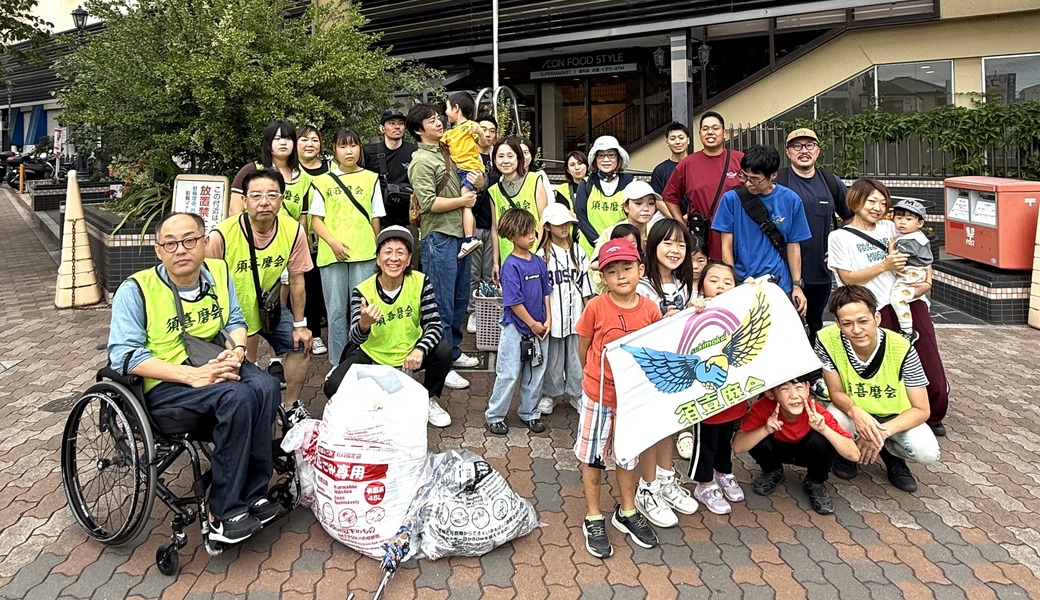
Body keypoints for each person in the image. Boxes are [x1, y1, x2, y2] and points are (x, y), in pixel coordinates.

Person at [108, 212, 281, 544]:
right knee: (238, 396)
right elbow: (125, 356)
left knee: (266, 385)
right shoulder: (136, 290)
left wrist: (238, 351)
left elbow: (233, 319)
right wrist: (191, 375)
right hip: (164, 384)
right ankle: (223, 509)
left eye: (189, 240)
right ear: (158, 251)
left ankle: (255, 491)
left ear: (204, 243)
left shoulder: (218, 271)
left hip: (212, 362)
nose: (180, 250)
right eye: (170, 244)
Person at [827, 178, 949, 436]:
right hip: (872, 310)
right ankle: (890, 418)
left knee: (928, 361)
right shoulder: (839, 237)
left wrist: (927, 280)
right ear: (856, 200)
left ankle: (933, 415)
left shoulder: (891, 227)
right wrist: (885, 265)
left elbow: (921, 250)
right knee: (887, 367)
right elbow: (847, 277)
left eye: (883, 203)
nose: (878, 207)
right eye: (872, 201)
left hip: (909, 301)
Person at [574, 238, 662, 559]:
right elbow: (584, 346)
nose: (621, 276)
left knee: (627, 456)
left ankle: (626, 511)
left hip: (632, 399)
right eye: (612, 271)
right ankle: (593, 516)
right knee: (592, 455)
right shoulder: (596, 306)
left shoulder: (651, 309)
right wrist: (592, 377)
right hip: (598, 396)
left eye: (627, 268)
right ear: (603, 277)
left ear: (640, 269)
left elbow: (660, 346)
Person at [207, 169, 313, 423]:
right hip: (231, 314)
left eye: (271, 195)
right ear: (244, 201)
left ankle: (290, 406)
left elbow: (297, 279)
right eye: (256, 195)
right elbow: (206, 283)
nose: (264, 202)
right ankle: (238, 413)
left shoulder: (293, 231)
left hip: (269, 307)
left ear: (282, 199)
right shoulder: (222, 235)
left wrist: (300, 325)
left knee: (301, 345)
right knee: (239, 365)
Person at [322, 226, 455, 427]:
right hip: (373, 353)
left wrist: (420, 349)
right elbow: (355, 339)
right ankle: (369, 402)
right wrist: (364, 324)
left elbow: (434, 325)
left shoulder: (420, 282)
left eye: (400, 252)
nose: (394, 258)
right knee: (332, 386)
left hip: (409, 350)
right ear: (378, 259)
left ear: (409, 259)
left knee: (444, 350)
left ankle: (428, 398)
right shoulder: (363, 290)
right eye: (388, 252)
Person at [815, 285, 941, 492]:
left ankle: (891, 455)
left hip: (894, 416)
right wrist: (856, 412)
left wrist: (879, 434)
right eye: (847, 323)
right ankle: (848, 452)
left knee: (926, 452)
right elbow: (835, 392)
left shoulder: (902, 347)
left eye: (863, 321)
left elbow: (922, 409)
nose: (856, 330)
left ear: (877, 318)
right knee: (831, 422)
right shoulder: (825, 340)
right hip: (854, 411)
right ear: (837, 323)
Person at [406, 103, 485, 390]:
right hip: (438, 236)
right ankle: (442, 361)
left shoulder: (451, 148)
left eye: (438, 118)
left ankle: (453, 349)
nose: (438, 123)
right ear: (418, 130)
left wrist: (478, 180)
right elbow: (428, 204)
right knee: (440, 302)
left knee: (460, 299)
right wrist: (463, 202)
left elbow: (477, 180)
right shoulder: (421, 162)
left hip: (460, 236)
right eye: (430, 121)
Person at [633, 219, 700, 528]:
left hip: (678, 368)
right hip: (650, 370)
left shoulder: (685, 284)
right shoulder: (642, 284)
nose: (675, 251)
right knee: (649, 428)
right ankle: (646, 488)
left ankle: (664, 480)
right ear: (653, 246)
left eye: (681, 245)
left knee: (669, 425)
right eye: (668, 244)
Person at [777, 127, 852, 398]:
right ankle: (783, 378)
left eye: (810, 145)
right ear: (788, 153)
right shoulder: (780, 180)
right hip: (784, 271)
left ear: (818, 150)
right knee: (785, 325)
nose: (804, 150)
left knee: (815, 323)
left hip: (819, 272)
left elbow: (849, 217)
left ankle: (810, 376)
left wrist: (839, 248)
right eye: (797, 146)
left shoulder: (830, 182)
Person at [310, 128, 385, 366]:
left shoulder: (371, 178)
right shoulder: (322, 181)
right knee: (335, 312)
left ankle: (363, 360)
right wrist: (332, 243)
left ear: (360, 148)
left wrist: (378, 251)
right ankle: (338, 364)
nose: (349, 151)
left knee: (363, 312)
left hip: (364, 254)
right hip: (332, 255)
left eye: (353, 145)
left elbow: (376, 218)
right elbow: (315, 220)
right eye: (343, 146)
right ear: (335, 150)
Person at [733, 376, 860, 515]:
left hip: (807, 454)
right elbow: (737, 446)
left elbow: (854, 455)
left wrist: (825, 429)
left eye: (799, 387)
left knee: (823, 439)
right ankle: (773, 470)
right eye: (784, 389)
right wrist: (765, 429)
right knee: (756, 435)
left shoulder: (815, 411)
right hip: (777, 449)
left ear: (807, 388)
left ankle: (815, 482)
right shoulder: (762, 407)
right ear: (770, 393)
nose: (794, 395)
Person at [711, 145, 811, 314]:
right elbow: (726, 246)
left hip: (779, 283)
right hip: (743, 282)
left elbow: (793, 246)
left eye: (755, 179)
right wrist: (732, 282)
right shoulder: (731, 200)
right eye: (745, 176)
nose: (749, 183)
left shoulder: (791, 200)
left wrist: (797, 285)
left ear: (773, 175)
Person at [685, 261, 750, 515]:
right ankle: (704, 483)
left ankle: (724, 472)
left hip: (732, 394)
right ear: (701, 285)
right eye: (714, 280)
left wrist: (752, 291)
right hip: (707, 397)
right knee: (707, 441)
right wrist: (693, 307)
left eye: (728, 282)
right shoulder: (697, 310)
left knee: (725, 438)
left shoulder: (740, 309)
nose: (721, 286)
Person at [484, 208, 553, 436]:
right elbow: (513, 302)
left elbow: (546, 292)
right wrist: (532, 323)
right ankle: (495, 415)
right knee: (508, 372)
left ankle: (530, 412)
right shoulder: (510, 265)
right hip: (516, 327)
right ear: (512, 236)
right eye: (525, 234)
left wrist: (547, 320)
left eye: (532, 232)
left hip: (540, 327)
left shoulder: (538, 262)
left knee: (535, 372)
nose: (531, 237)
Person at [662, 112, 744, 259]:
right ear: (699, 134)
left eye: (715, 128)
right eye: (705, 129)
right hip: (703, 238)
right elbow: (669, 196)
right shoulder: (687, 164)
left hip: (738, 235)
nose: (710, 132)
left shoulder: (740, 160)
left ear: (724, 133)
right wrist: (682, 226)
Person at [537, 203, 592, 415]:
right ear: (548, 226)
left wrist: (589, 311)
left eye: (567, 224)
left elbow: (586, 285)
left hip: (576, 314)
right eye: (559, 224)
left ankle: (577, 394)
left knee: (577, 357)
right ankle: (549, 394)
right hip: (554, 317)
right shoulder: (542, 255)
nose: (564, 228)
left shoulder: (578, 251)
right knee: (553, 358)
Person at [230, 121, 310, 228]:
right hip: (254, 238)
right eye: (277, 139)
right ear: (268, 143)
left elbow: (302, 219)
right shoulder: (251, 170)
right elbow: (234, 211)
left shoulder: (302, 178)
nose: (283, 143)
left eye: (288, 139)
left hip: (287, 240)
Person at [488, 138, 549, 279]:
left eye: (510, 156)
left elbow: (544, 220)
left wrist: (542, 251)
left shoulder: (534, 180)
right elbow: (495, 228)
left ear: (518, 158)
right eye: (500, 156)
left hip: (534, 255)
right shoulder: (494, 191)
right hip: (508, 259)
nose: (505, 161)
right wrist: (496, 262)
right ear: (495, 160)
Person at [443, 92, 490, 258]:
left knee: (466, 204)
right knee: (466, 204)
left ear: (456, 108)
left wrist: (481, 132)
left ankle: (469, 239)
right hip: (461, 170)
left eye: (447, 108)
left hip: (471, 169)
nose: (446, 112)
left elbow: (484, 144)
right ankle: (471, 238)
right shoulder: (449, 133)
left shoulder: (470, 126)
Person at [295, 124, 329, 355]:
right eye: (305, 140)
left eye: (315, 140)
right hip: (296, 238)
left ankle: (317, 334)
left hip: (328, 235)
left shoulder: (331, 167)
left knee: (318, 285)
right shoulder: (290, 171)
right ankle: (305, 329)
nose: (310, 144)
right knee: (302, 285)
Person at [575, 136, 634, 257]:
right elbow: (580, 215)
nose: (606, 159)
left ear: (619, 158)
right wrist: (598, 241)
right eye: (601, 155)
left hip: (622, 247)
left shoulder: (630, 183)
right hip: (590, 249)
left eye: (611, 155)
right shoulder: (586, 183)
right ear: (595, 159)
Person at [467, 114, 499, 335]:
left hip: (495, 224)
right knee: (473, 272)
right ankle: (473, 311)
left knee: (491, 273)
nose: (487, 134)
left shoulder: (499, 158)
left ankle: (489, 310)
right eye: (483, 129)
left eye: (492, 130)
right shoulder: (468, 156)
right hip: (474, 222)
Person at [363, 109, 419, 230]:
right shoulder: (369, 153)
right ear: (382, 128)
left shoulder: (414, 151)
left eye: (400, 123)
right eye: (391, 123)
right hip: (381, 219)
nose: (397, 127)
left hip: (409, 219)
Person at [889, 198, 933, 341]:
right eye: (899, 217)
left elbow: (897, 262)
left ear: (920, 223)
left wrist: (891, 251)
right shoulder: (917, 236)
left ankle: (907, 330)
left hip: (911, 275)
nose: (902, 222)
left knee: (897, 298)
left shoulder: (909, 241)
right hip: (919, 273)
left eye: (909, 219)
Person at [650, 122, 690, 216]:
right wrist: (676, 220)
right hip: (670, 223)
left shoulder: (697, 165)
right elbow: (658, 201)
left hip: (696, 221)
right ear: (667, 142)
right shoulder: (659, 170)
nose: (677, 142)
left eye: (681, 138)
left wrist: (689, 216)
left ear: (688, 140)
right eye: (673, 138)